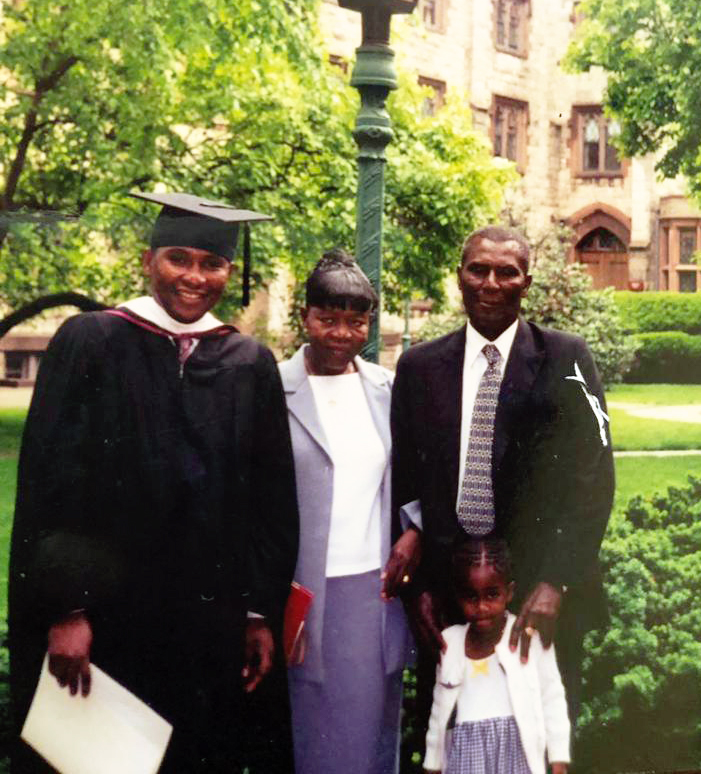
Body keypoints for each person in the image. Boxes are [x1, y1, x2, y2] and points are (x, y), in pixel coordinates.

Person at [8, 192, 298, 773]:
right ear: (147, 260)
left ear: (228, 272)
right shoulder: (90, 341)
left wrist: (258, 614)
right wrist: (67, 609)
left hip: (207, 624)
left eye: (211, 264)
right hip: (108, 616)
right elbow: (52, 484)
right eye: (178, 259)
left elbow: (271, 500)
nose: (195, 277)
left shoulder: (248, 364)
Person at [390, 225, 614, 747]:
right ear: (460, 278)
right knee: (451, 741)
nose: (491, 283)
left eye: (506, 272)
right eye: (478, 270)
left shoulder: (566, 358)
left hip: (536, 594)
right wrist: (418, 590)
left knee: (536, 742)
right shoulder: (420, 368)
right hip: (448, 599)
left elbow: (594, 475)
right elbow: (405, 486)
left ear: (526, 282)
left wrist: (557, 580)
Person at [278, 249, 413, 774]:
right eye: (327, 319)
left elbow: (412, 474)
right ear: (305, 317)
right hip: (300, 592)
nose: (341, 333)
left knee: (369, 735)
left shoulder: (384, 388)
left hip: (371, 591)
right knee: (310, 735)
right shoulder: (271, 387)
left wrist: (416, 530)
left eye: (355, 322)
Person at [424, 537, 570, 774]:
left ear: (509, 592)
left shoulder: (527, 636)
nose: (482, 607)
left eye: (492, 595)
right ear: (458, 597)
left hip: (516, 754)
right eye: (471, 597)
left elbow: (552, 697)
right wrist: (432, 764)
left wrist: (558, 759)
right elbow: (438, 710)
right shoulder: (450, 642)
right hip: (465, 758)